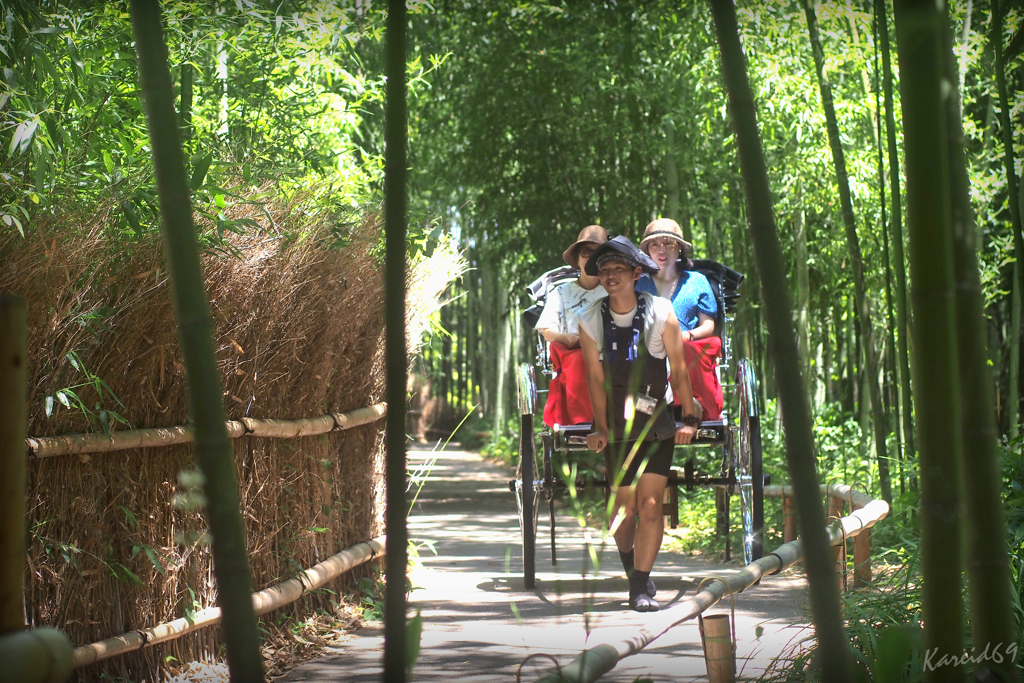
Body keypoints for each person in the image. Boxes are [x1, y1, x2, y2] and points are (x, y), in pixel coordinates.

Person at [576, 236, 699, 612]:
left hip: (655, 422)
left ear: (636, 273)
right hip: (616, 424)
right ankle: (634, 569)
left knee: (649, 505)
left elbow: (678, 371)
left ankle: (640, 586)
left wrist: (689, 418)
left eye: (619, 270)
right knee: (620, 513)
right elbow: (595, 381)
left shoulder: (662, 312)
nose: (611, 276)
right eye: (604, 271)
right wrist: (599, 427)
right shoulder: (590, 319)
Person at [636, 218, 723, 420]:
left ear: (680, 248)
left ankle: (691, 405)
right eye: (655, 244)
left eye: (669, 244)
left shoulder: (697, 281)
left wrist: (687, 335)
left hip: (688, 342)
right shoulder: (637, 282)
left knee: (685, 350)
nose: (662, 250)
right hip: (649, 342)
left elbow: (708, 325)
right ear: (648, 250)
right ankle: (646, 407)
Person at [535, 225, 609, 427]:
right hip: (573, 349)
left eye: (598, 253)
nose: (591, 258)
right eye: (586, 252)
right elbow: (547, 330)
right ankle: (583, 422)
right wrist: (566, 339)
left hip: (610, 349)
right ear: (577, 258)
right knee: (579, 361)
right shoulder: (561, 292)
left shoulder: (614, 288)